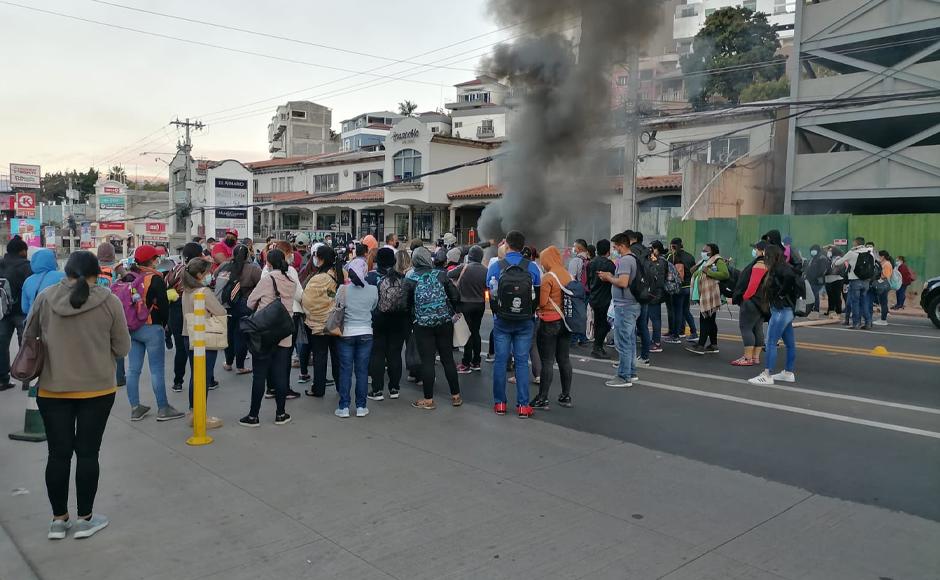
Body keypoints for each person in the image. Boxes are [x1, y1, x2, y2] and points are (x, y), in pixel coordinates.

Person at [31, 251, 131, 540]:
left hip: (52, 389)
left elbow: (29, 337)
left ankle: (58, 521)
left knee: (57, 455)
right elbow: (122, 348)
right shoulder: (109, 301)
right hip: (97, 390)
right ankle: (85, 519)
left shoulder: (45, 298)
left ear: (66, 272)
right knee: (88, 454)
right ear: (97, 273)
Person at [124, 245, 183, 422]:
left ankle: (135, 408)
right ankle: (163, 408)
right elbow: (164, 307)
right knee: (157, 370)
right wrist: (164, 325)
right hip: (152, 327)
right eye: (156, 258)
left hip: (133, 327)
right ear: (152, 260)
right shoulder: (155, 278)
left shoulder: (129, 276)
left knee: (133, 370)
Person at [239, 249, 296, 427]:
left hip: (264, 335)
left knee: (259, 376)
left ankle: (253, 416)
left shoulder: (267, 279)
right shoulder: (291, 281)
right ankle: (281, 414)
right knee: (280, 375)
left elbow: (250, 303)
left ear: (268, 263)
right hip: (283, 335)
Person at [487, 231, 540, 418]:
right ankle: (523, 406)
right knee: (522, 362)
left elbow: (491, 294)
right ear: (522, 246)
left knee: (500, 361)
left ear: (507, 246)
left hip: (502, 321)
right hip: (525, 321)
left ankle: (500, 403)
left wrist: (498, 312)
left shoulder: (496, 266)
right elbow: (537, 297)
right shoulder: (532, 267)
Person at [408, 246, 462, 410]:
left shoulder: (411, 278)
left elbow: (404, 304)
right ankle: (456, 396)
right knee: (447, 359)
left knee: (427, 361)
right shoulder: (441, 275)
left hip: (422, 325)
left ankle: (428, 399)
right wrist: (453, 311)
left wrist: (414, 318)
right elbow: (455, 296)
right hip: (444, 322)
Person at [180, 257, 225, 429]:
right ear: (199, 274)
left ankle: (193, 412)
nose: (209, 275)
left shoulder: (186, 291)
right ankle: (201, 415)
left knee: (195, 375)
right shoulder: (204, 292)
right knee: (204, 377)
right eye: (207, 272)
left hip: (188, 335)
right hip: (204, 336)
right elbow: (220, 311)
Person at [749, 245, 800, 385]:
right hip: (787, 310)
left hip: (780, 311)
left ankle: (767, 374)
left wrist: (781, 294)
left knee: (771, 342)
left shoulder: (779, 268)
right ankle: (788, 372)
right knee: (790, 344)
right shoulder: (785, 267)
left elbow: (789, 278)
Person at [530, 246, 574, 410]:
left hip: (549, 322)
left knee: (547, 361)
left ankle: (543, 398)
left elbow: (542, 302)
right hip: (566, 322)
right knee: (564, 359)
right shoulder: (568, 275)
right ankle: (565, 396)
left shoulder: (548, 277)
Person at [334, 258, 377, 418]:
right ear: (365, 271)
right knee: (362, 371)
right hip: (366, 332)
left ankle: (344, 406)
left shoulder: (342, 289)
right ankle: (361, 406)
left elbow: (337, 306)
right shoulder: (373, 289)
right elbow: (373, 307)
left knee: (345, 370)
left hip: (346, 332)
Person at [365, 248, 409, 400]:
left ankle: (377, 390)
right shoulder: (402, 278)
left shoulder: (371, 277)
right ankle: (394, 388)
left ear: (377, 261)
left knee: (377, 354)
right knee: (395, 354)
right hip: (398, 320)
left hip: (378, 320)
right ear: (394, 261)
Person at [301, 244, 344, 398]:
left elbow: (307, 301)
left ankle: (318, 389)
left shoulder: (318, 278)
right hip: (336, 323)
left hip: (318, 326)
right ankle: (341, 388)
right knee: (337, 357)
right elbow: (337, 296)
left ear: (321, 259)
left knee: (320, 357)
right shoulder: (340, 273)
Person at [599, 233, 640, 388]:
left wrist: (608, 277)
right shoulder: (634, 258)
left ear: (622, 246)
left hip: (624, 307)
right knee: (630, 340)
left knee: (623, 342)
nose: (614, 250)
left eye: (615, 247)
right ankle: (631, 372)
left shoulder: (625, 260)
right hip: (632, 304)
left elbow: (623, 282)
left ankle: (623, 376)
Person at [164, 243, 204, 392]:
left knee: (180, 348)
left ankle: (178, 381)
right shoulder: (195, 271)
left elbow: (165, 284)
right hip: (190, 307)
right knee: (196, 346)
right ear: (197, 256)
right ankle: (201, 379)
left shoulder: (175, 268)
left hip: (173, 310)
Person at [217, 244, 262, 374]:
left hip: (227, 305)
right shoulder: (253, 269)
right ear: (248, 255)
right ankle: (240, 366)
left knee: (229, 335)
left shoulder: (224, 266)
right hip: (245, 305)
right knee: (241, 336)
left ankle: (228, 362)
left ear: (233, 254)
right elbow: (261, 285)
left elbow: (215, 277)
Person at [449, 245, 488, 374]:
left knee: (467, 333)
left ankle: (465, 363)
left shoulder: (464, 267)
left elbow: (449, 274)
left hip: (465, 303)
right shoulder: (485, 270)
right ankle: (476, 362)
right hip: (480, 304)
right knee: (476, 332)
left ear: (469, 256)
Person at [0, 237, 32, 391]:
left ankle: (2, 380)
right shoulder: (26, 266)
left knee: (1, 345)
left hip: (2, 312)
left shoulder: (1, 263)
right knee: (25, 344)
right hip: (21, 312)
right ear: (22, 251)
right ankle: (25, 379)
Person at [686, 243, 729, 355]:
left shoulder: (718, 260)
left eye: (706, 250)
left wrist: (708, 272)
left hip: (710, 295)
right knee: (710, 321)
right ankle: (713, 345)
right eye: (703, 250)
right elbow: (694, 272)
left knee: (705, 320)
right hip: (704, 295)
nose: (703, 252)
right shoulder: (704, 261)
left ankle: (701, 345)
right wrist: (697, 267)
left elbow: (725, 274)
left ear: (712, 251)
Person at [731, 241, 768, 366]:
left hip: (753, 301)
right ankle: (755, 357)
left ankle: (747, 358)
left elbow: (753, 285)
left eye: (756, 249)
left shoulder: (759, 264)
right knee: (757, 328)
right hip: (763, 302)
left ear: (762, 251)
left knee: (745, 327)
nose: (755, 251)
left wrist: (745, 297)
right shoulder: (770, 264)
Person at [833, 237, 876, 330]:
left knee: (855, 303)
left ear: (856, 243)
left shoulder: (852, 253)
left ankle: (856, 323)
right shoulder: (870, 253)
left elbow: (838, 263)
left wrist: (836, 260)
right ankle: (868, 322)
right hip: (866, 281)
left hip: (855, 281)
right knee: (864, 302)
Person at [587, 239, 616, 359]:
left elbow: (588, 280)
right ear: (608, 251)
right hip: (605, 298)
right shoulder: (610, 265)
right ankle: (597, 347)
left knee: (598, 323)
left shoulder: (591, 263)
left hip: (594, 296)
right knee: (605, 324)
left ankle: (597, 346)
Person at [665, 237, 696, 343]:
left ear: (672, 246)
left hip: (679, 288)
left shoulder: (673, 257)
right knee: (686, 311)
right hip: (688, 287)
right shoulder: (690, 256)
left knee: (677, 312)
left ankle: (676, 336)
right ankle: (694, 332)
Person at [21, 248, 66, 316]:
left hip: (35, 320)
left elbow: (25, 309)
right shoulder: (62, 276)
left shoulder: (27, 281)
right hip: (56, 318)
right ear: (52, 261)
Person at [566, 238, 590, 347]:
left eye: (574, 246)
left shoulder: (575, 260)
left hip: (577, 290)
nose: (573, 248)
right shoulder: (589, 259)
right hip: (587, 290)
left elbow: (571, 277)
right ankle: (583, 338)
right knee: (584, 314)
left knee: (576, 314)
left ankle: (573, 339)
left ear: (579, 248)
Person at [645, 240, 668, 354]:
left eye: (652, 248)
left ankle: (657, 343)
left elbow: (658, 280)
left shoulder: (660, 262)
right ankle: (653, 340)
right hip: (655, 293)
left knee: (655, 319)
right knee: (653, 318)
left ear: (657, 249)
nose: (650, 250)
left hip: (654, 294)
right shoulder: (659, 261)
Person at [803, 244, 829, 314]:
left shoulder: (822, 258)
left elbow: (822, 270)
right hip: (812, 280)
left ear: (817, 250)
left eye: (813, 250)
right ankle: (813, 309)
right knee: (813, 294)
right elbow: (810, 268)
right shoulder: (814, 258)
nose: (812, 252)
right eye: (811, 250)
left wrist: (815, 276)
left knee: (814, 294)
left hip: (818, 280)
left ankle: (815, 309)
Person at [873, 251, 894, 326]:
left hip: (884, 285)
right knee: (882, 302)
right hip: (883, 285)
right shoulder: (884, 263)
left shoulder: (887, 264)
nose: (878, 257)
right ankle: (882, 318)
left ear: (883, 257)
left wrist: (878, 275)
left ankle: (883, 319)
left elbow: (886, 275)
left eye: (879, 256)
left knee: (884, 303)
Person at [823, 246, 846, 316]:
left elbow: (837, 269)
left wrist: (827, 271)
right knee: (830, 296)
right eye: (828, 250)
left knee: (837, 295)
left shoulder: (838, 258)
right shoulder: (827, 258)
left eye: (830, 250)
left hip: (837, 279)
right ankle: (830, 310)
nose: (829, 252)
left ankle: (838, 310)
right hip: (828, 279)